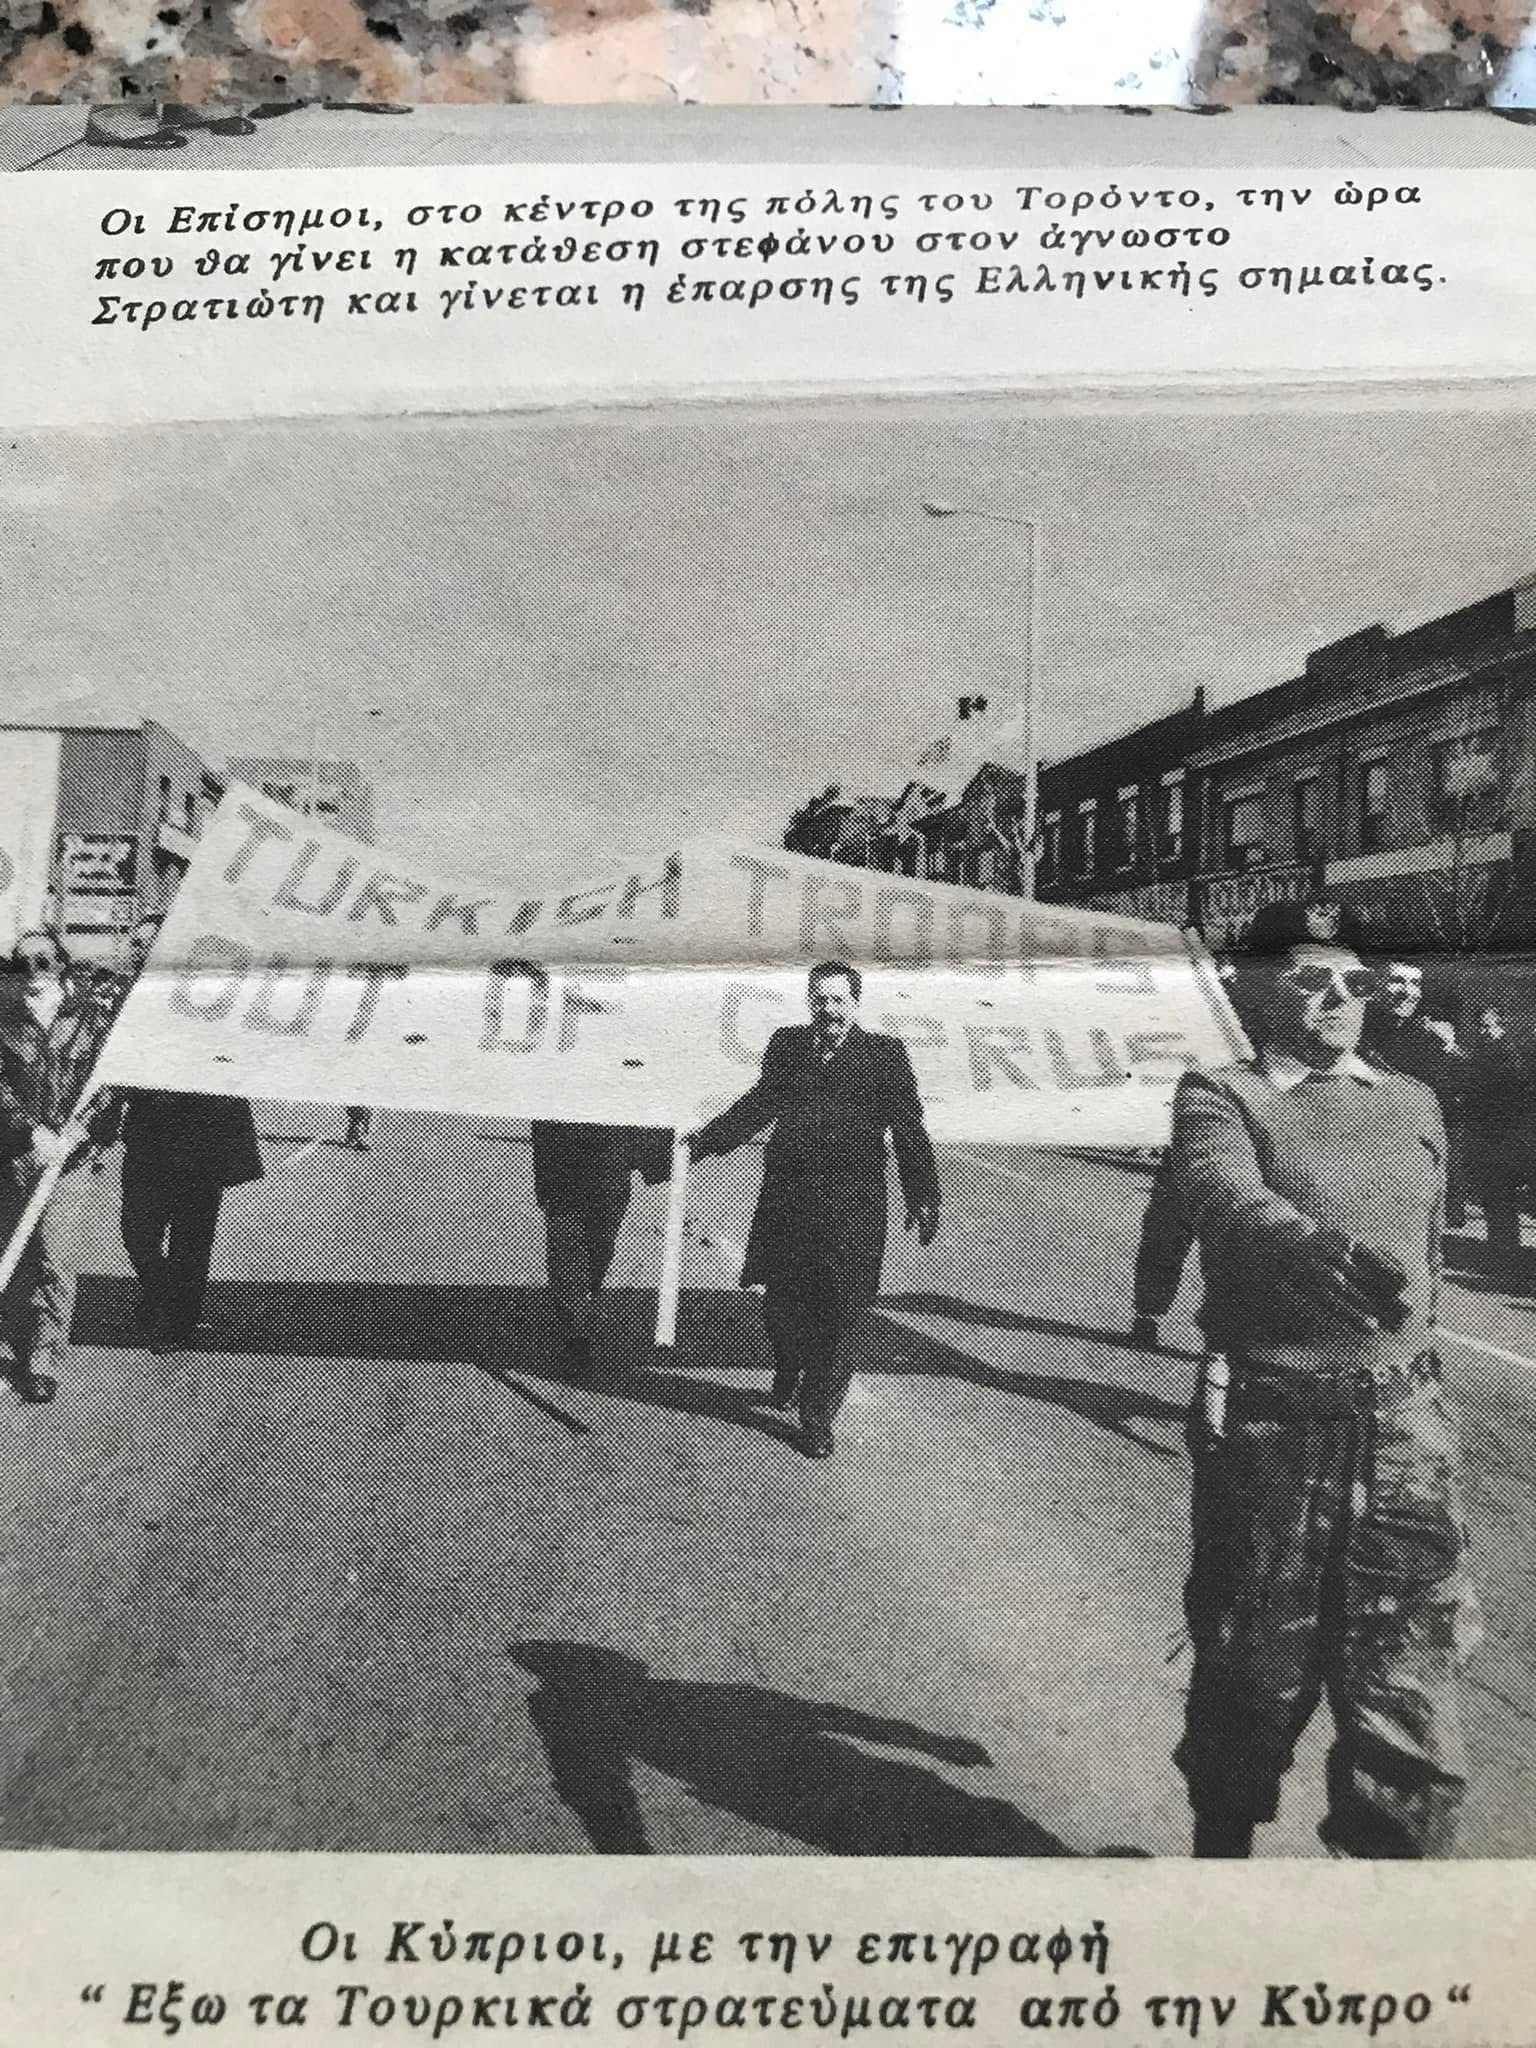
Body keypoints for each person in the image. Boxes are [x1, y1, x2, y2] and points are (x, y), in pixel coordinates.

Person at [1169, 900, 1480, 1859]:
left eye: (1353, 980)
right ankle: (1219, 1869)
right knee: (1250, 1672)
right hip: (1275, 1424)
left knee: (1410, 1690)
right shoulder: (1223, 1093)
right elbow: (1227, 1195)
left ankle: (1373, 1917)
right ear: (1262, 989)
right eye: (1312, 979)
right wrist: (1314, 1247)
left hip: (1404, 1429)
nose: (1339, 998)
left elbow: (1426, 1257)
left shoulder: (1412, 1098)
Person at [687, 961, 941, 1460]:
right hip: (792, 1197)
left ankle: (818, 1416)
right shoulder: (788, 1045)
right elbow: (759, 1105)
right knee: (783, 1305)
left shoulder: (884, 1055)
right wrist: (702, 1144)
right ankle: (787, 1365)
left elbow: (909, 1126)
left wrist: (924, 1192)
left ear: (855, 1002)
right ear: (809, 1002)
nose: (829, 1009)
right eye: (820, 1000)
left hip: (855, 1203)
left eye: (838, 1000)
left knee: (845, 1308)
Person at [111, 917, 265, 1354]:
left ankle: (176, 1323)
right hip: (148, 1137)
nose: (141, 951)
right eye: (136, 944)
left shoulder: (213, 1000)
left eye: (150, 945)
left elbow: (240, 1053)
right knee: (137, 1230)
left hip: (203, 1137)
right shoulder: (124, 1000)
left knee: (191, 1239)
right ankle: (160, 1292)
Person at [0, 928, 116, 1402]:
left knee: (56, 1256)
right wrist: (30, 1132)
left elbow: (110, 1084)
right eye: (22, 963)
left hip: (70, 1159)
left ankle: (44, 1359)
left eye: (44, 962)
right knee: (14, 1250)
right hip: (13, 1152)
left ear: (61, 965)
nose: (33, 973)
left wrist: (84, 1131)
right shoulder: (3, 1017)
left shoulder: (90, 1018)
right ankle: (17, 1336)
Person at [530, 1121, 668, 1380]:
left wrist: (656, 1157)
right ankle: (575, 1335)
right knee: (567, 1249)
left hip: (611, 1162)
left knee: (599, 1250)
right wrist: (544, 1179)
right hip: (564, 1162)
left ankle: (584, 1304)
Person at [1362, 958, 1469, 1228]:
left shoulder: (1431, 1034)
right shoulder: (1358, 1031)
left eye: (1415, 984)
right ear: (1375, 986)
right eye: (1397, 981)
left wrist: (1450, 1050)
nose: (1407, 992)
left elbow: (1452, 1099)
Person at [1461, 1002, 1529, 1268]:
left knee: (1503, 1191)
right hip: (1489, 1133)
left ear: (1500, 1024)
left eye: (1489, 1026)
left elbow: (1511, 1090)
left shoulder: (1508, 1052)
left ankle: (1507, 1251)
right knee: (1494, 1192)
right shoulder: (1484, 1051)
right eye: (1481, 1027)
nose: (1485, 1031)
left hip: (1508, 1133)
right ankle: (1502, 1248)